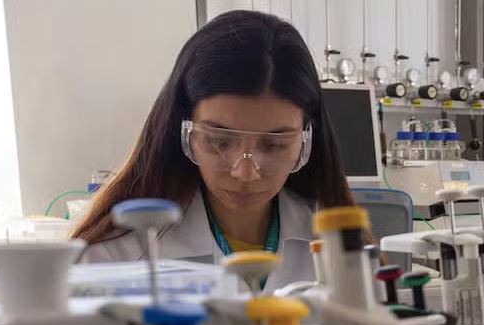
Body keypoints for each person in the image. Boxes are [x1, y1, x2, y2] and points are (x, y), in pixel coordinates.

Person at [72, 10, 353, 293]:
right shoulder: (113, 256)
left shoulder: (337, 246)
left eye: (274, 144)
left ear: (307, 138)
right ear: (182, 129)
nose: (246, 173)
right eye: (220, 141)